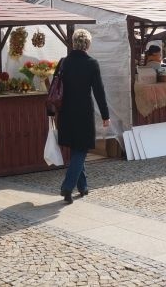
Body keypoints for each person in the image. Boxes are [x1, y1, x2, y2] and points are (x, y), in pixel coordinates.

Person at [56, 29, 110, 204]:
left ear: (73, 43)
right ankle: (67, 185)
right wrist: (105, 115)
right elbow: (99, 91)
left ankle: (83, 186)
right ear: (87, 44)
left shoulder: (63, 62)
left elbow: (55, 87)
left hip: (65, 111)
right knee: (82, 149)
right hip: (84, 112)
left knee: (75, 148)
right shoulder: (91, 63)